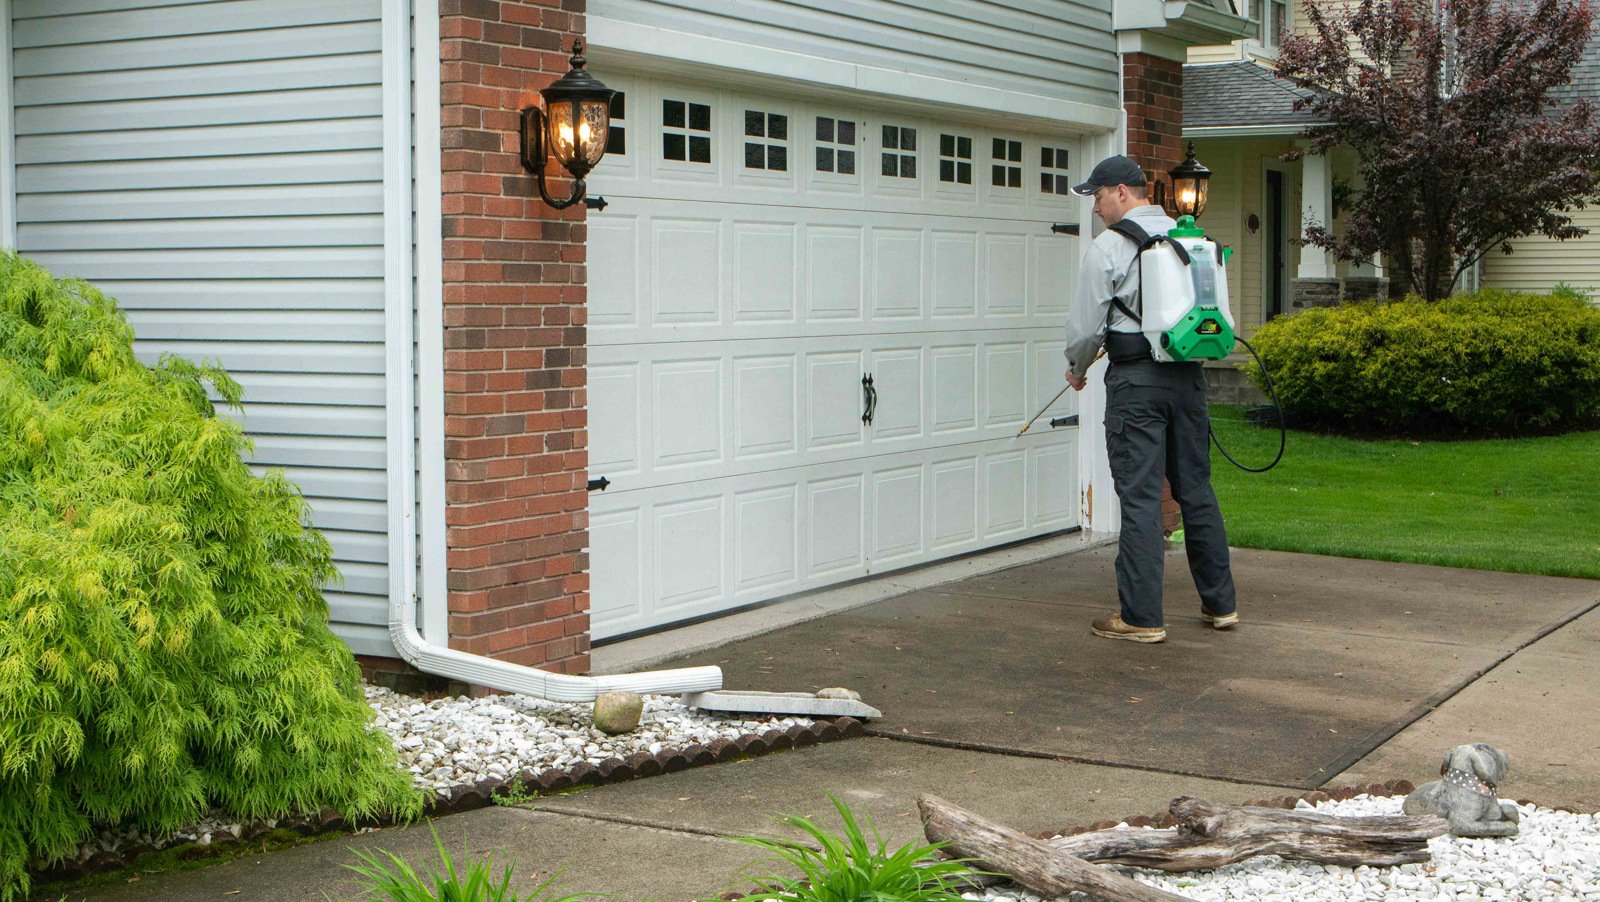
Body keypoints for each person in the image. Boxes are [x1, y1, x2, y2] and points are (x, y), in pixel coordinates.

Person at [1062, 155, 1238, 644]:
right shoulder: (1194, 239)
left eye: (1097, 197)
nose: (1095, 208)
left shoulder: (1108, 249)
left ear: (1122, 191)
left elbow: (1084, 328)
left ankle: (1140, 618)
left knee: (1139, 499)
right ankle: (1221, 605)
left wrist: (1076, 370)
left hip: (1136, 385)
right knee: (1196, 490)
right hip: (1188, 381)